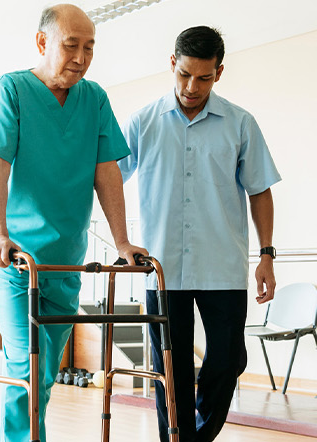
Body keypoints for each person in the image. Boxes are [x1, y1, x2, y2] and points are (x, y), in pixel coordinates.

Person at [0, 3, 146, 442]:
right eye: (71, 45)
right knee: (25, 364)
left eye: (90, 48)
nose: (81, 57)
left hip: (66, 261)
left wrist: (122, 242)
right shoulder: (10, 90)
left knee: (45, 371)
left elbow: (106, 171)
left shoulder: (94, 99)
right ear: (42, 42)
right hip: (15, 258)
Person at [118, 25, 282, 442]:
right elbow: (107, 179)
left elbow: (259, 191)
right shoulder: (142, 122)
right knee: (169, 371)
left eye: (204, 77)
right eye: (184, 74)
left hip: (222, 266)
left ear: (219, 73)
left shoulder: (240, 123)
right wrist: (120, 239)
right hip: (162, 269)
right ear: (173, 65)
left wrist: (266, 254)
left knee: (227, 362)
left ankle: (195, 438)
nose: (192, 87)